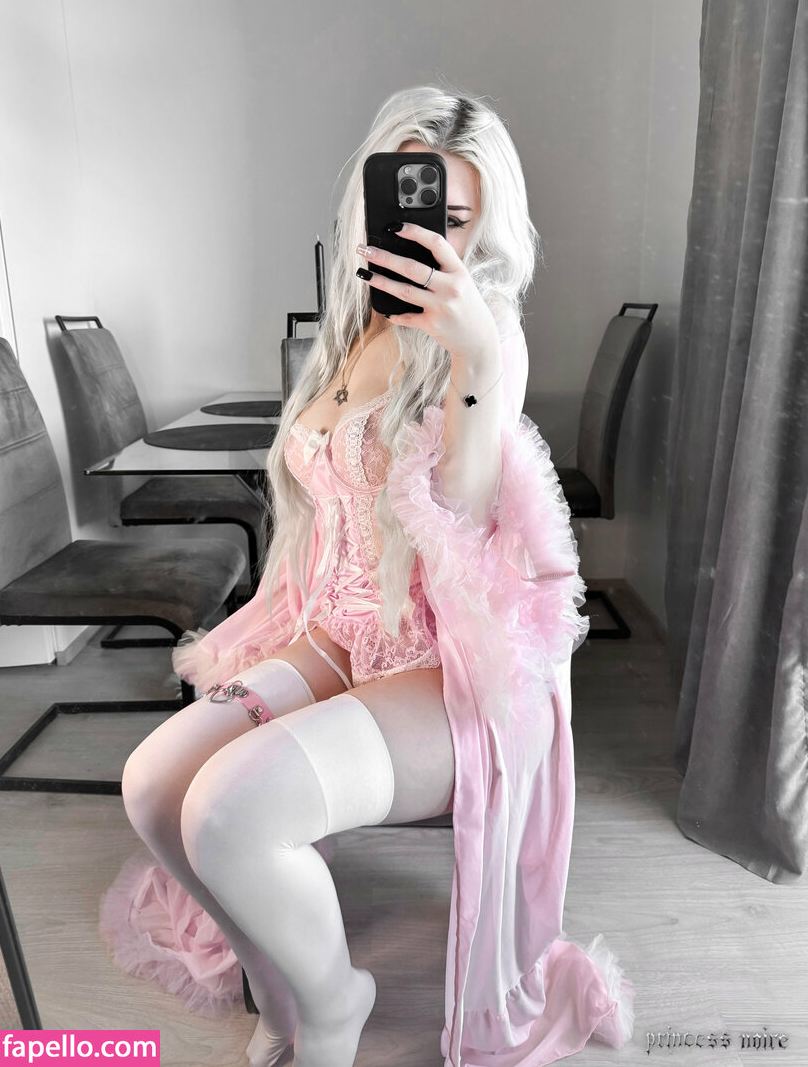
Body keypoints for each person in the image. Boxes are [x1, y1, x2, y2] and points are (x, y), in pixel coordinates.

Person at [101, 85, 636, 1067]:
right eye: (413, 207)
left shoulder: (487, 336)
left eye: (457, 218)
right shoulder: (354, 326)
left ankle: (334, 1001)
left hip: (443, 669)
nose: (434, 238)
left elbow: (467, 532)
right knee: (154, 785)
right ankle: (278, 988)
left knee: (228, 812)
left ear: (486, 225)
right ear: (372, 201)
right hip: (339, 633)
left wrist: (475, 362)